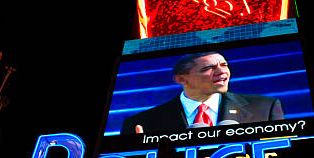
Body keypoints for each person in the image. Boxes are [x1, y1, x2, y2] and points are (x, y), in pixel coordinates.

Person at [121, 51, 285, 134]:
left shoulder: (265, 107)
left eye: (224, 65)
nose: (222, 72)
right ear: (181, 80)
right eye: (208, 68)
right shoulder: (140, 123)